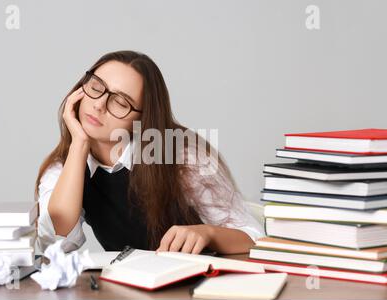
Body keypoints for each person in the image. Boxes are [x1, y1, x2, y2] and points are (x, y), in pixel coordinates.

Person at [34, 50, 264, 254]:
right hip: (129, 291)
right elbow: (53, 245)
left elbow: (254, 238)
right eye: (96, 87)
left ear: (142, 120)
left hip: (196, 287)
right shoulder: (64, 167)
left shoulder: (181, 157)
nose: (99, 105)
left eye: (121, 103)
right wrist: (79, 145)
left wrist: (208, 234)